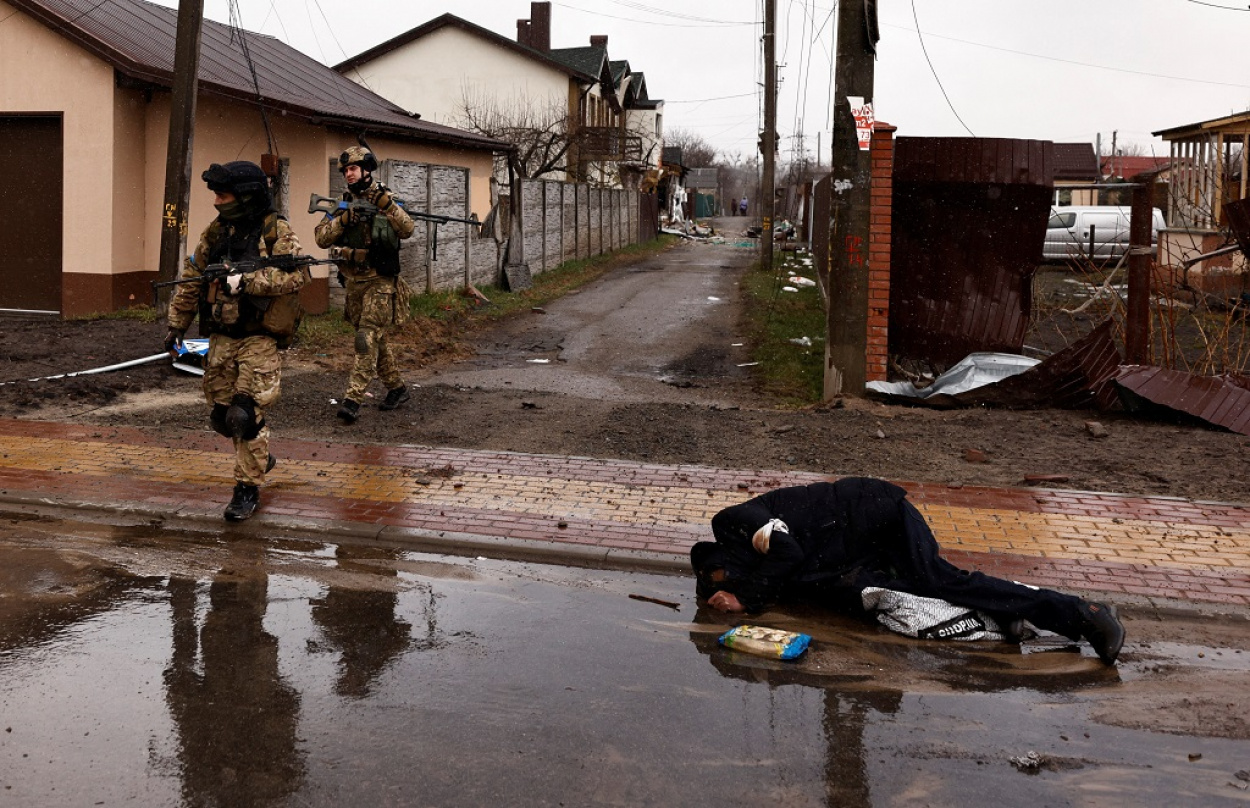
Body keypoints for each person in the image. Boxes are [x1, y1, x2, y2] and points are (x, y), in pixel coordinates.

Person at [690, 477, 1127, 665]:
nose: (729, 584)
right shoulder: (748, 555)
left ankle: (1084, 613)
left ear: (721, 558)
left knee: (938, 579)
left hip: (877, 514)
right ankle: (1000, 615)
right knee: (877, 592)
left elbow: (788, 552)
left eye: (724, 578)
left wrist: (745, 598)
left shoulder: (734, 522)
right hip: (857, 543)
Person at [164, 161, 309, 521]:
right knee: (220, 416)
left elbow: (298, 275)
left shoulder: (274, 228)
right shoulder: (216, 232)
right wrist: (176, 325)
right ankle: (260, 458)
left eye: (223, 195)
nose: (216, 201)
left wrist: (247, 282)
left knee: (244, 414)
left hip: (259, 336)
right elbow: (191, 278)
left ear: (246, 196)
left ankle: (247, 488)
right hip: (222, 335)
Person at [314, 145, 416, 425]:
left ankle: (353, 399)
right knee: (376, 339)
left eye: (353, 169)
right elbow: (321, 238)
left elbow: (407, 229)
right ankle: (397, 388)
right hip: (354, 282)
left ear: (367, 170)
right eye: (345, 170)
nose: (348, 174)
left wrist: (387, 206)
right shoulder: (342, 203)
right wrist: (344, 220)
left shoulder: (387, 199)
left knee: (365, 338)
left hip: (380, 280)